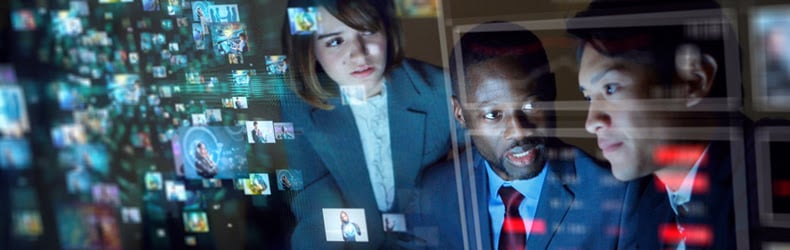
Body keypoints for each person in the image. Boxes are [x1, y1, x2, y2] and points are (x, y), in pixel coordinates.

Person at [416, 22, 630, 249]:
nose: (519, 131)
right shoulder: (433, 192)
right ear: (460, 114)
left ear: (551, 89)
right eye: (493, 115)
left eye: (531, 105)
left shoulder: (615, 197)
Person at [280, 0, 459, 248]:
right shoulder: (299, 106)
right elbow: (314, 201)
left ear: (387, 29)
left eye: (367, 31)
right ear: (310, 50)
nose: (359, 54)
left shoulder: (440, 89)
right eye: (335, 41)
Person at [567, 0, 743, 248]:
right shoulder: (648, 207)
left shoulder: (767, 179)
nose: (591, 122)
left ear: (693, 81)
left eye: (611, 88)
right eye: (588, 97)